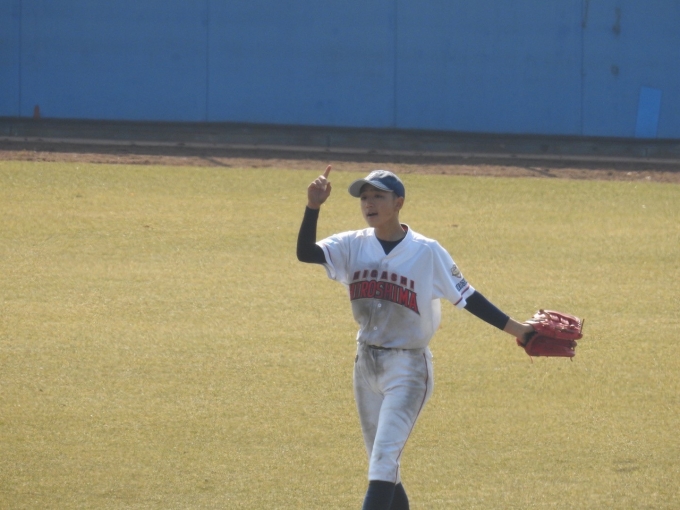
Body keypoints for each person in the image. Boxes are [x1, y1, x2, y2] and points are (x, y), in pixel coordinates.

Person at [296, 165, 534, 510]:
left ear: (399, 203)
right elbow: (305, 253)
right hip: (365, 365)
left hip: (407, 369)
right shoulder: (351, 244)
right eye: (364, 197)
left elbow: (467, 297)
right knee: (384, 466)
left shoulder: (426, 251)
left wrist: (519, 330)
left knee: (382, 463)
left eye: (378, 196)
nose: (369, 203)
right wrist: (313, 206)